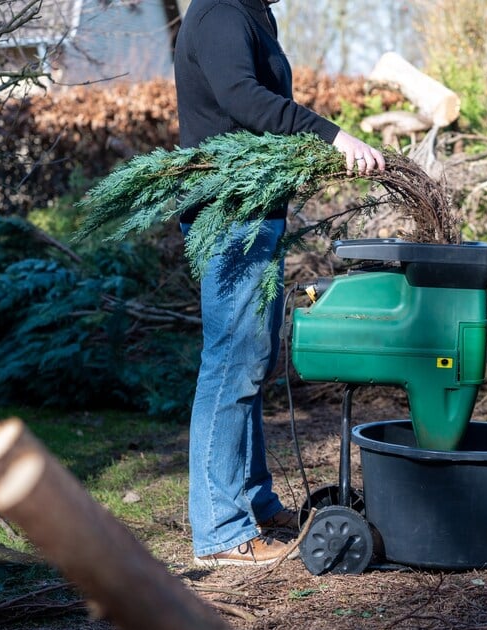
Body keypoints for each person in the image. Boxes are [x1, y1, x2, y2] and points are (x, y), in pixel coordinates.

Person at [174, 0, 385, 567]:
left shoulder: (250, 11)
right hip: (231, 213)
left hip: (253, 212)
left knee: (252, 362)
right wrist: (331, 136)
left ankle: (256, 505)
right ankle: (220, 533)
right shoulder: (221, 10)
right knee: (230, 364)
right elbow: (241, 97)